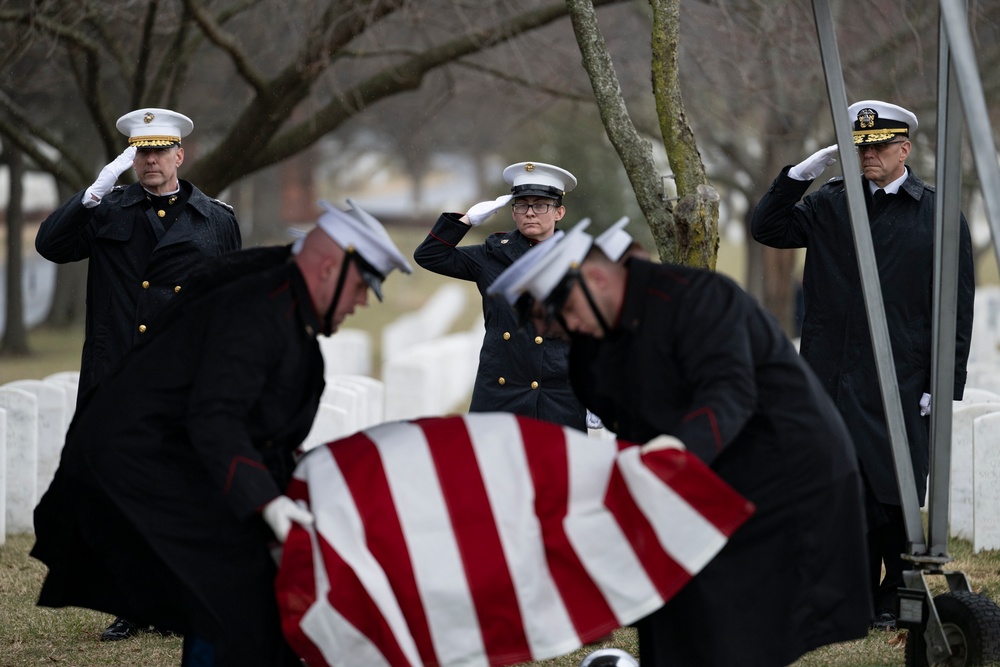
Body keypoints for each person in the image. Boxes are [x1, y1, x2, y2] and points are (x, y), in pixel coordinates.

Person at [30, 200, 412, 666]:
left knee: (251, 608)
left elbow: (263, 424)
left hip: (192, 468)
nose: (360, 303)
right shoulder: (257, 310)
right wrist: (268, 503)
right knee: (234, 603)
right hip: (146, 473)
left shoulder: (285, 301)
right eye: (360, 288)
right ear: (329, 268)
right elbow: (215, 419)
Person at [487, 220, 872, 666]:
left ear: (595, 277)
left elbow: (728, 393)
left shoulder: (697, 298)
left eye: (568, 311)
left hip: (781, 477)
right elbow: (621, 423)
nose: (570, 327)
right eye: (556, 323)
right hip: (701, 479)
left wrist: (671, 461)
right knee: (668, 613)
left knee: (729, 631)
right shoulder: (592, 341)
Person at [751, 100, 975, 631]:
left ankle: (897, 589)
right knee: (841, 485)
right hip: (832, 373)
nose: (867, 156)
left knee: (893, 486)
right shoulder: (831, 203)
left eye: (876, 147)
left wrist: (946, 382)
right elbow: (768, 228)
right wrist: (803, 173)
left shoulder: (936, 214)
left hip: (901, 375)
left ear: (905, 149)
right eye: (858, 148)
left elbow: (955, 307)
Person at [34, 108, 243, 641]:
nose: (150, 160)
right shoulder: (106, 210)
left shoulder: (216, 219)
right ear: (132, 158)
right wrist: (91, 193)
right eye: (140, 151)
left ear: (179, 155)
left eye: (159, 150)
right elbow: (51, 246)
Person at [413, 161, 588, 431]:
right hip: (501, 395)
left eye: (540, 205)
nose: (530, 213)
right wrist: (467, 221)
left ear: (559, 212)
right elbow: (429, 256)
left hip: (559, 397)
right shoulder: (492, 254)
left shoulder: (582, 259)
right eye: (522, 205)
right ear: (513, 213)